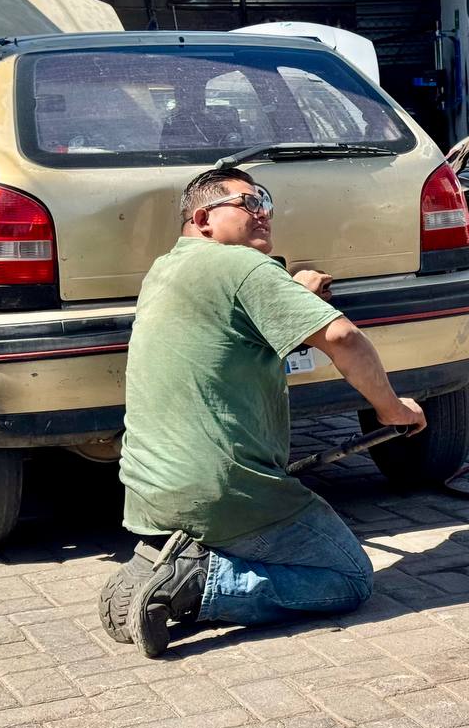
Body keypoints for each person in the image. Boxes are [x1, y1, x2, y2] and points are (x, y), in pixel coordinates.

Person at [107, 166, 426, 658]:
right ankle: (194, 585)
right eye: (247, 202)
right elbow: (342, 338)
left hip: (149, 490)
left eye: (266, 204)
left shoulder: (166, 268)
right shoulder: (244, 268)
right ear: (204, 217)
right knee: (348, 578)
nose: (263, 213)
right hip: (224, 493)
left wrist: (293, 291)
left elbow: (235, 321)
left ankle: (168, 560)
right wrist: (391, 408)